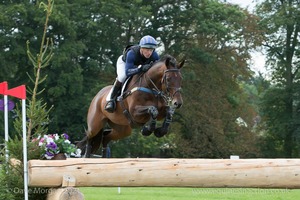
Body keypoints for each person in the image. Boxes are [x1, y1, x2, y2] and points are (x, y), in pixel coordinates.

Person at [105, 35, 160, 113]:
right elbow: (128, 72)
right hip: (125, 63)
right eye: (147, 50)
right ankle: (111, 100)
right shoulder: (132, 53)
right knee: (122, 76)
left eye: (151, 50)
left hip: (139, 65)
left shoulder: (155, 55)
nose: (149, 53)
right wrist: (140, 69)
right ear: (141, 48)